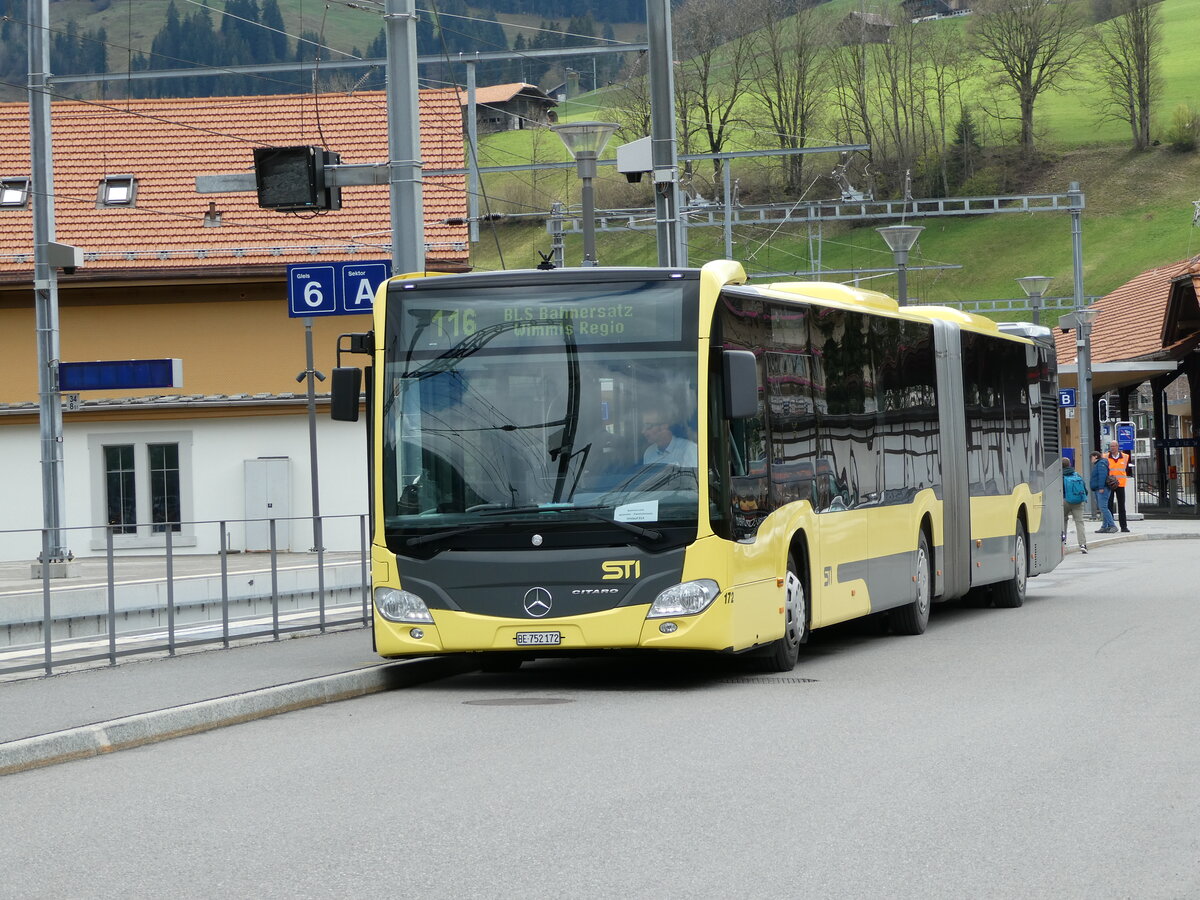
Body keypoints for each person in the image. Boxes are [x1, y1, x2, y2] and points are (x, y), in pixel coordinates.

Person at [1062, 456, 1089, 553]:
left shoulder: (1060, 475)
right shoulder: (1076, 474)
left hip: (1064, 501)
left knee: (1063, 520)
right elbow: (1085, 489)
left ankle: (1063, 540)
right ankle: (1082, 544)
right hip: (1077, 501)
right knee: (1079, 522)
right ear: (1070, 464)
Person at [1105, 439, 1132, 533]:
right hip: (1109, 484)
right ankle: (1110, 525)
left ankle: (1124, 526)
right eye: (1111, 446)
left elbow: (1126, 469)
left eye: (1113, 446)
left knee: (1121, 506)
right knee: (1109, 505)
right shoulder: (1105, 457)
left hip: (1120, 484)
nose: (1112, 448)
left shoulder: (1125, 456)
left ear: (1117, 447)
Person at [1089, 449, 1118, 534]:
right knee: (1103, 507)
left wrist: (1101, 487)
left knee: (1103, 507)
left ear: (1095, 457)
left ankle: (1112, 525)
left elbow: (1102, 476)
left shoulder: (1101, 464)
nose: (1091, 459)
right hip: (1099, 488)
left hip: (1102, 489)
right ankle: (1104, 526)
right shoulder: (1099, 464)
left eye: (1091, 457)